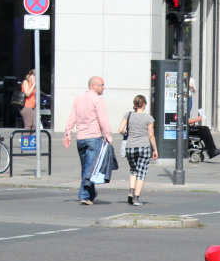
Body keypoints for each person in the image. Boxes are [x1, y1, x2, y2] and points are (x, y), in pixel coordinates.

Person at [62, 76, 116, 205]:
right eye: (101, 85)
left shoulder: (78, 99)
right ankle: (84, 195)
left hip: (80, 138)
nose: (104, 87)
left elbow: (72, 117)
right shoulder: (98, 100)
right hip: (93, 138)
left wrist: (68, 133)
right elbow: (103, 119)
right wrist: (108, 135)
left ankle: (90, 194)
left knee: (87, 166)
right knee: (91, 168)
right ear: (93, 86)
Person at [118, 94, 158, 206]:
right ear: (144, 104)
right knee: (141, 173)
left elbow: (120, 129)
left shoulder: (128, 115)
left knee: (133, 170)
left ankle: (131, 191)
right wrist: (155, 149)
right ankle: (136, 198)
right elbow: (151, 135)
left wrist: (127, 133)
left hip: (130, 147)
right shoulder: (149, 118)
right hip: (143, 147)